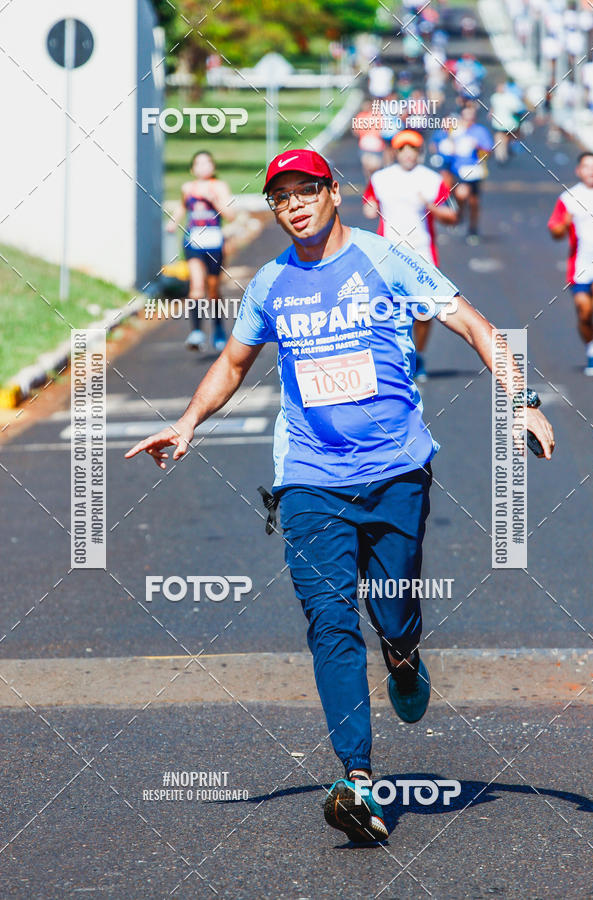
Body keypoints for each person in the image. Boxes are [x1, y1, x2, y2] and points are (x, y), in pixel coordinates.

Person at [125, 149, 555, 844]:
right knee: (329, 621)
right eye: (280, 197)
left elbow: (473, 323)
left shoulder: (388, 260)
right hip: (308, 479)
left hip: (394, 472)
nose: (293, 205)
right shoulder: (270, 282)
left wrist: (523, 401)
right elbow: (235, 362)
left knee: (391, 610)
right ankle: (357, 778)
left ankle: (405, 654)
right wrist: (186, 422)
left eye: (305, 191)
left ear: (334, 193)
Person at [362, 130, 458, 381]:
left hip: (422, 252)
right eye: (402, 149)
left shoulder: (431, 179)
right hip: (387, 253)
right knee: (386, 310)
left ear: (419, 152)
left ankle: (419, 354)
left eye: (412, 149)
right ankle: (394, 360)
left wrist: (431, 207)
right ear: (395, 152)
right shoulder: (380, 178)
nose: (407, 154)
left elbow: (452, 216)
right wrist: (370, 209)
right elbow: (369, 205)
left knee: (424, 312)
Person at [168, 150, 234, 352]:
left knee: (213, 289)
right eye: (199, 164)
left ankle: (219, 330)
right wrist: (172, 223)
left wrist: (213, 200)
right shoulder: (187, 188)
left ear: (213, 167)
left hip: (214, 242)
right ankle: (196, 332)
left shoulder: (219, 187)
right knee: (196, 286)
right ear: (192, 168)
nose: (203, 167)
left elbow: (230, 214)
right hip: (193, 241)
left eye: (207, 163)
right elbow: (181, 208)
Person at [548, 151, 593, 375]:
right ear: (578, 171)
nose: (592, 171)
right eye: (587, 167)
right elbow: (556, 232)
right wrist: (564, 224)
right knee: (584, 311)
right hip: (581, 265)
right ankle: (592, 348)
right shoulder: (569, 198)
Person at [433, 103, 493, 244]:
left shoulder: (480, 131)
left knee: (474, 202)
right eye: (466, 117)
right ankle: (458, 215)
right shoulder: (455, 130)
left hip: (475, 171)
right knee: (461, 193)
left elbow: (489, 150)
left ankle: (473, 228)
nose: (468, 120)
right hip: (458, 170)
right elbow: (441, 142)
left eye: (471, 117)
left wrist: (477, 146)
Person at [489, 82, 524, 163]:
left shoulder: (495, 97)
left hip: (500, 123)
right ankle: (502, 155)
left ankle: (501, 155)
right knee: (503, 138)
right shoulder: (511, 98)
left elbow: (492, 109)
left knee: (500, 139)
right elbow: (518, 109)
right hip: (510, 123)